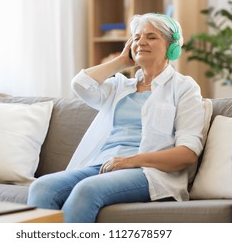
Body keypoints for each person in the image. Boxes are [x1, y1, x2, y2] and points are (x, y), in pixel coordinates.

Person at [27, 13, 206, 223]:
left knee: (87, 189)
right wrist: (122, 61)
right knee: (42, 187)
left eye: (151, 37)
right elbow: (80, 84)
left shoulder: (184, 87)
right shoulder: (120, 86)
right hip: (101, 166)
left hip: (147, 172)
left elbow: (187, 154)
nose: (141, 42)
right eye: (137, 38)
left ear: (172, 47)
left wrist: (130, 161)